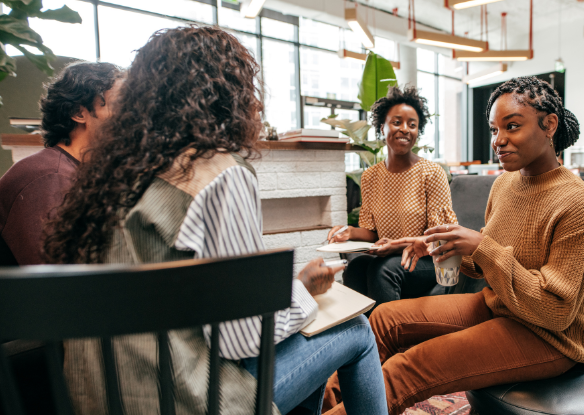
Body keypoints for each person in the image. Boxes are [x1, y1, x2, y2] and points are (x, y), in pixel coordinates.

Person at [44, 27, 386, 415]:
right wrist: (303, 292)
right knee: (354, 331)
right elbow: (239, 339)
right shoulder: (217, 171)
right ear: (229, 94)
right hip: (185, 401)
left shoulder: (111, 176)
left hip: (99, 398)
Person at [323, 76, 584, 415]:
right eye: (493, 130)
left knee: (406, 369)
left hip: (549, 337)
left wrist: (480, 246)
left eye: (512, 126)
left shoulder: (579, 203)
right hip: (499, 305)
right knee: (382, 320)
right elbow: (483, 261)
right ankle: (314, 405)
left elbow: (555, 312)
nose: (498, 141)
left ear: (549, 125)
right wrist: (442, 246)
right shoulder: (505, 184)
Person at [327, 85, 457, 310]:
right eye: (397, 122)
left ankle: (390, 341)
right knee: (357, 267)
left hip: (427, 260)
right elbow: (372, 233)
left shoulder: (432, 173)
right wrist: (349, 231)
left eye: (412, 124)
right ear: (382, 127)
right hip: (390, 257)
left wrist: (396, 247)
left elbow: (442, 238)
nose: (405, 129)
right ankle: (363, 337)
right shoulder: (370, 177)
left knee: (383, 268)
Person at [0, 61, 123, 266]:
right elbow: (57, 281)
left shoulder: (81, 173)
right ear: (78, 113)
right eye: (119, 105)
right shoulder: (49, 177)